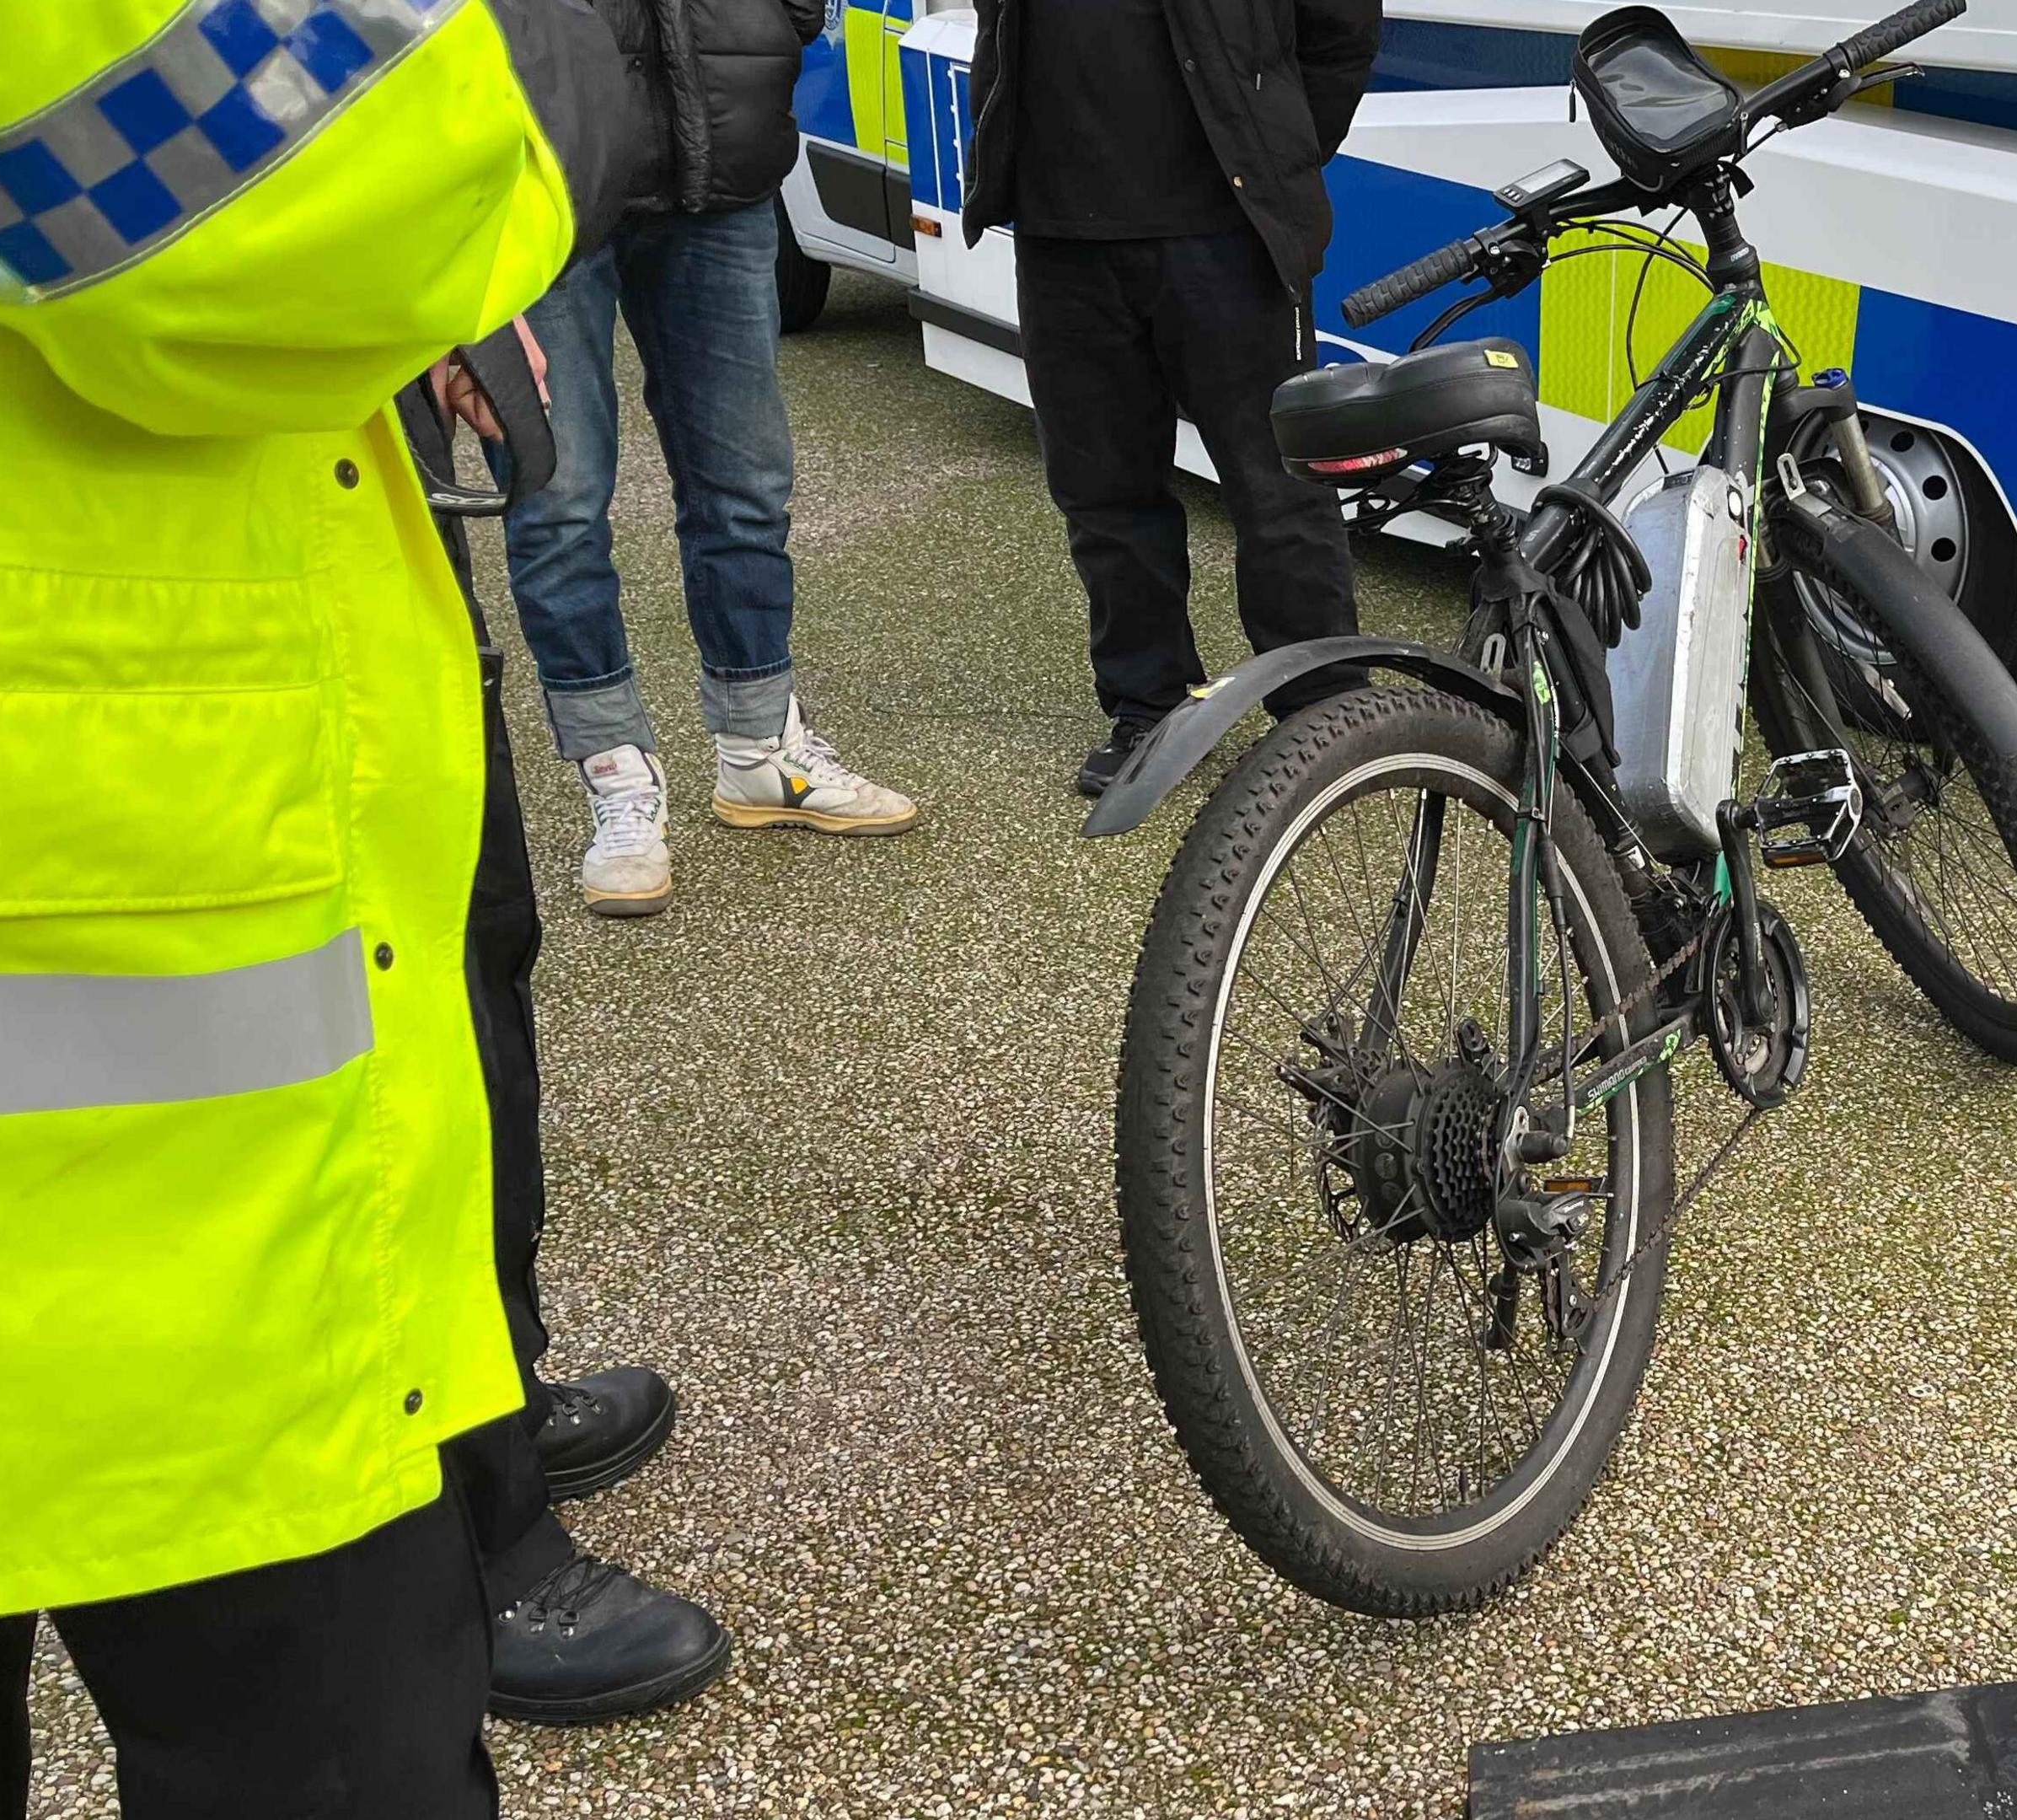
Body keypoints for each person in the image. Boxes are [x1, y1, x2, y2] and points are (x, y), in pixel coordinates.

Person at [0, 1, 625, 1808]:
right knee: (320, 1733)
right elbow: (313, 189)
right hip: (99, 973)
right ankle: (504, 1503)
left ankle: (507, 1451)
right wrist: (545, 78)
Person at [413, 359, 736, 1726]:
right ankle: (468, 1533)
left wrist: (456, 295)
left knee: (482, 949)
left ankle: (499, 1379)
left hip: (347, 506)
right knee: (400, 1031)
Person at [504, 0, 917, 918]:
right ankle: (617, 777)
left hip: (720, 169)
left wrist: (771, 26)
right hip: (539, 174)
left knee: (745, 485)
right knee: (558, 497)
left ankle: (759, 750)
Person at [962, 0, 1385, 797]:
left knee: (1281, 489)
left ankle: (1322, 713)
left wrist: (1274, 152)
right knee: (1105, 498)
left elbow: (1343, 32)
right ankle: (1149, 709)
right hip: (1064, 244)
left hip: (1229, 237)